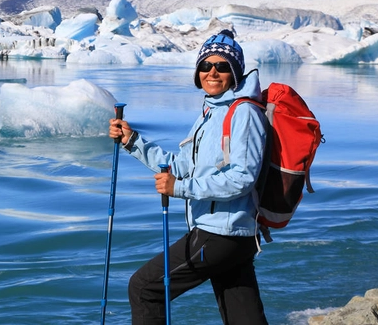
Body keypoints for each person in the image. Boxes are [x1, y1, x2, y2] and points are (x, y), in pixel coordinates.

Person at [109, 29, 269, 325]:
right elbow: (180, 165)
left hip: (221, 232)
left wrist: (180, 189)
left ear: (235, 72)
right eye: (206, 65)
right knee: (243, 317)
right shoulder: (211, 112)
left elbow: (242, 178)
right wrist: (133, 142)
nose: (212, 72)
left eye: (222, 66)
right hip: (229, 233)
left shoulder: (243, 112)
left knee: (144, 288)